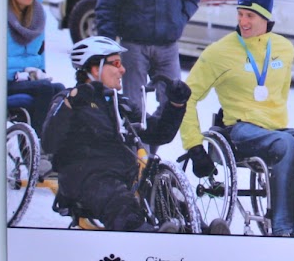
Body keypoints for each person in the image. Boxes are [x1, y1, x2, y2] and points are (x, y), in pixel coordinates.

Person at [177, 0, 294, 237]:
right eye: (240, 14)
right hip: (240, 130)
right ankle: (280, 227)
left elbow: (281, 95)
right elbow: (185, 98)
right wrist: (194, 145)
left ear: (266, 16)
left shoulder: (284, 49)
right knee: (285, 144)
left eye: (250, 15)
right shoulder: (218, 53)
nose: (243, 21)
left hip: (276, 131)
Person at [40, 36, 191, 233]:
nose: (123, 70)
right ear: (96, 69)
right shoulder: (69, 99)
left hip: (124, 177)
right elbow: (49, 142)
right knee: (121, 204)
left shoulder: (121, 104)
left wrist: (176, 105)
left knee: (164, 189)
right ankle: (148, 235)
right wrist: (70, 104)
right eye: (117, 63)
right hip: (87, 180)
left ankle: (199, 230)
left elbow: (158, 134)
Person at [5, 0, 64, 131]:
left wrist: (40, 73)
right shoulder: (1, 15)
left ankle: (54, 137)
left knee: (60, 90)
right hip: (8, 81)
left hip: (29, 79)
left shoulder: (37, 15)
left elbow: (40, 53)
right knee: (44, 88)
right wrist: (20, 74)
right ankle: (40, 137)